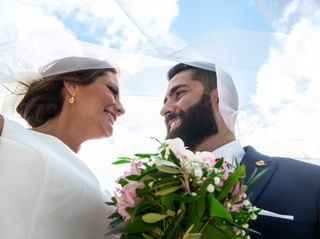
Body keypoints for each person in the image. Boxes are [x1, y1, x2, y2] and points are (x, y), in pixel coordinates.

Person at [160, 62, 320, 239]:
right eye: (165, 101)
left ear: (219, 98)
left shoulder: (310, 180)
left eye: (179, 93)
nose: (164, 110)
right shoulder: (158, 195)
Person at [0, 56, 125, 239]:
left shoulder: (96, 184)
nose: (121, 108)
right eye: (112, 90)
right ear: (72, 85)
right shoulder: (9, 134)